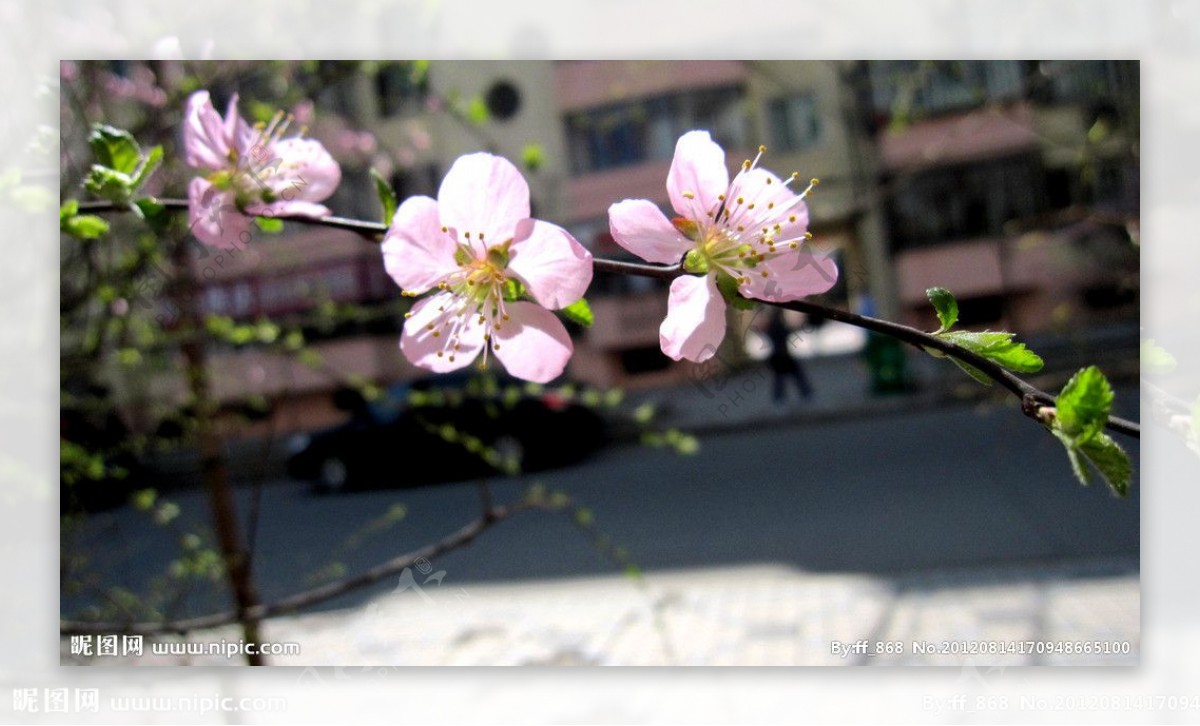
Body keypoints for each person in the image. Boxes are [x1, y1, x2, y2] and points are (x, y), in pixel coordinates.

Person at [765, 308, 813, 403]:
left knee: (781, 378)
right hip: (783, 356)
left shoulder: (773, 327)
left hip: (779, 356)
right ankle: (805, 393)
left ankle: (779, 397)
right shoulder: (778, 327)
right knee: (794, 376)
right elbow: (786, 332)